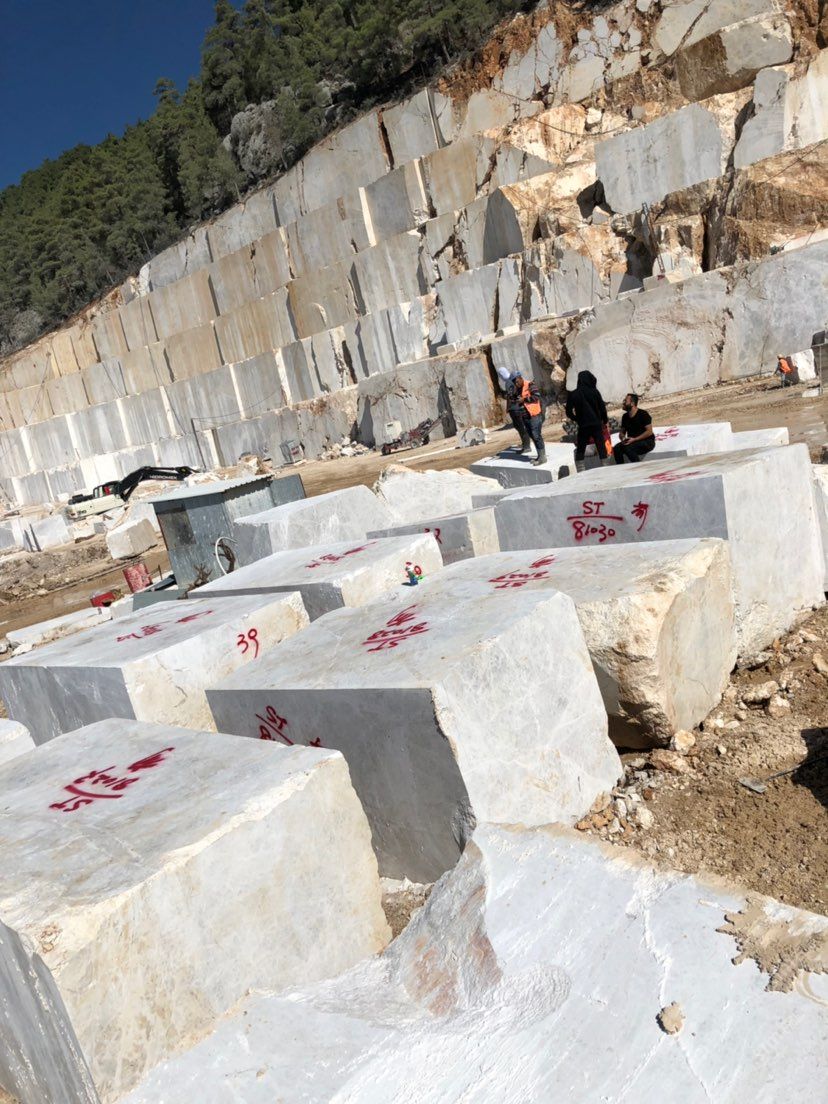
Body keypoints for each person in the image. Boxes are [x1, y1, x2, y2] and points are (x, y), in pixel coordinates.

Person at [565, 370, 609, 461]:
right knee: (601, 448)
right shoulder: (595, 392)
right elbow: (602, 408)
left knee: (581, 449)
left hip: (583, 425)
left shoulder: (573, 394)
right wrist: (604, 420)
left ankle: (580, 468)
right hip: (596, 424)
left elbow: (568, 412)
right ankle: (605, 465)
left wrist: (576, 419)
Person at [513, 371, 546, 466]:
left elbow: (536, 397)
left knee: (536, 436)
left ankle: (543, 457)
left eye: (517, 381)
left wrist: (524, 400)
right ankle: (540, 455)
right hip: (525, 416)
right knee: (532, 435)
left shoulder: (530, 385)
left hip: (534, 415)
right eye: (514, 383)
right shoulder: (517, 389)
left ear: (520, 378)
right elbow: (518, 400)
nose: (516, 384)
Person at [496, 366, 531, 453]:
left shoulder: (508, 382)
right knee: (519, 426)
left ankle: (526, 446)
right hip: (518, 407)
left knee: (520, 426)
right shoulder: (513, 380)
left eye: (500, 375)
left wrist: (508, 408)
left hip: (515, 409)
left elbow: (510, 396)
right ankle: (525, 443)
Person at [613, 393, 655, 463]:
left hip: (647, 442)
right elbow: (622, 432)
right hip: (632, 442)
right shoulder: (625, 416)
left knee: (628, 448)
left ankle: (637, 466)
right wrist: (622, 437)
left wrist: (635, 439)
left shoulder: (643, 414)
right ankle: (621, 467)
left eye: (625, 401)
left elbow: (649, 432)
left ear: (632, 403)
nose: (623, 403)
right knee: (617, 448)